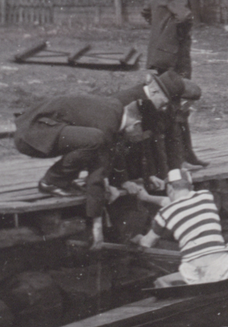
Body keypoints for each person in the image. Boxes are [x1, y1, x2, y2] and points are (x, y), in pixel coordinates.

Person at [13, 70, 201, 245]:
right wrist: (96, 224)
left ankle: (59, 181)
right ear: (136, 124)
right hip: (33, 134)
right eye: (165, 101)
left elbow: (108, 156)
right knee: (94, 141)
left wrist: (123, 180)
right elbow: (99, 169)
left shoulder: (121, 114)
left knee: (94, 143)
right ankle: (51, 182)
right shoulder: (114, 117)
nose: (165, 107)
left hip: (45, 128)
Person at [131, 168, 228, 287]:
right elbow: (175, 202)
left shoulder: (164, 213)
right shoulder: (206, 196)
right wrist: (147, 197)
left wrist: (138, 239)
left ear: (169, 189)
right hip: (222, 269)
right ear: (191, 187)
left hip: (193, 275)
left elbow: (146, 243)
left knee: (161, 282)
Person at [142, 0, 204, 167]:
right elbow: (185, 18)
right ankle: (180, 159)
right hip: (175, 60)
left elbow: (145, 11)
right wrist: (176, 39)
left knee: (168, 107)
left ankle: (184, 155)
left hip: (158, 58)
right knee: (178, 107)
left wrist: (162, 34)